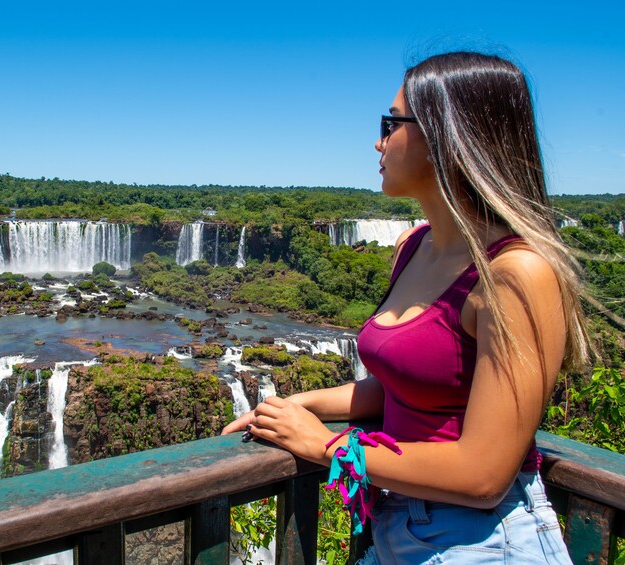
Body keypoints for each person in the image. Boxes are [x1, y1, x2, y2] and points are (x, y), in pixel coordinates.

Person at [223, 51, 588, 564]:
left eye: (391, 124)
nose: (378, 141)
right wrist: (301, 407)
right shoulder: (414, 247)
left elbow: (483, 475)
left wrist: (327, 448)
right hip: (395, 530)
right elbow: (405, 386)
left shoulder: (517, 273)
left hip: (483, 542)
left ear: (448, 135)